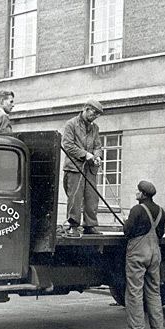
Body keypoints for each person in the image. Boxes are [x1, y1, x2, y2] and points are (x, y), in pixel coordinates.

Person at [123, 181, 165, 329]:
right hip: (155, 253)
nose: (136, 193)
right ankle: (157, 328)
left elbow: (127, 232)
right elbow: (160, 234)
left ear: (143, 195)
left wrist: (125, 222)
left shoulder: (137, 210)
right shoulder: (161, 211)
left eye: (138, 191)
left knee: (135, 290)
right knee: (154, 290)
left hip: (138, 253)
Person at [61, 100, 104, 238]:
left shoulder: (95, 128)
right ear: (86, 109)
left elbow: (98, 145)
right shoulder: (71, 124)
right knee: (75, 197)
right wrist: (85, 154)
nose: (96, 116)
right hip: (74, 168)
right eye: (94, 112)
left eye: (98, 114)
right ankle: (73, 225)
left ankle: (90, 225)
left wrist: (97, 156)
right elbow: (67, 145)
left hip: (90, 169)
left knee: (92, 197)